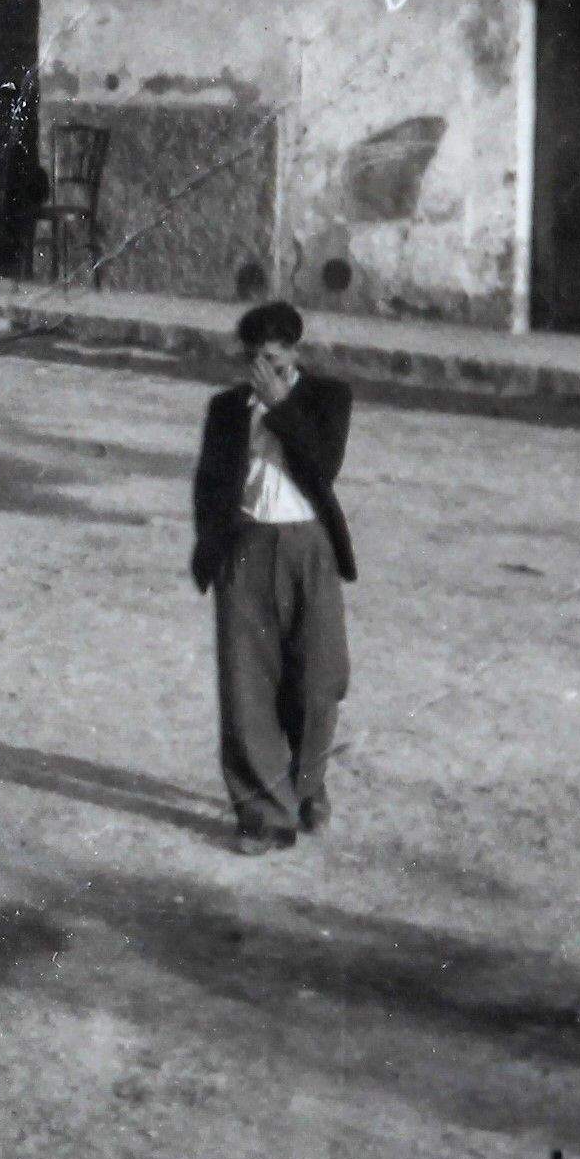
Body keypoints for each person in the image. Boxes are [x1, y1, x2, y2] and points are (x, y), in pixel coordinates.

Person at [191, 302, 355, 854]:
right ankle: (265, 815)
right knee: (247, 685)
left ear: (294, 353)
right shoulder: (226, 408)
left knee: (319, 679)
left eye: (274, 359)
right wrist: (214, 549)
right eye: (253, 359)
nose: (262, 370)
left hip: (309, 545)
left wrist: (283, 406)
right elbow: (209, 483)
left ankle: (307, 785)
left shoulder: (329, 398)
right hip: (247, 545)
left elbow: (324, 467)